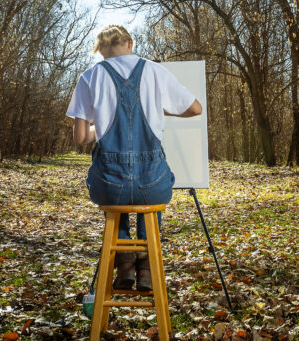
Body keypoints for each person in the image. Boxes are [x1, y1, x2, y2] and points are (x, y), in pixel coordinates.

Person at [67, 25, 202, 290]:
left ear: (102, 51)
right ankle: (147, 266)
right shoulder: (154, 70)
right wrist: (160, 110)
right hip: (152, 184)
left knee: (110, 189)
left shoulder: (90, 76)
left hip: (110, 185)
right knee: (151, 188)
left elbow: (82, 137)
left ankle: (125, 260)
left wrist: (102, 125)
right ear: (130, 44)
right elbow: (195, 108)